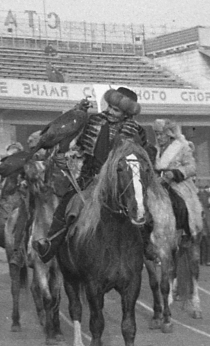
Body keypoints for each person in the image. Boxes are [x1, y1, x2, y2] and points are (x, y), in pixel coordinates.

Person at [33, 87, 147, 262]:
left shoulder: (137, 132)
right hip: (89, 177)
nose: (109, 111)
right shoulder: (94, 121)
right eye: (109, 106)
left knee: (142, 205)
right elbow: (77, 146)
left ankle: (149, 246)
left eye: (115, 110)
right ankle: (50, 243)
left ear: (126, 114)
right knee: (67, 203)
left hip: (120, 183)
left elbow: (138, 161)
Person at [154, 119, 198, 240]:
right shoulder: (155, 150)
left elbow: (192, 167)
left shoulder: (182, 148)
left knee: (182, 205)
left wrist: (175, 173)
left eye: (161, 134)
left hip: (178, 184)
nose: (158, 137)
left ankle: (185, 232)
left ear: (169, 135)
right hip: (159, 183)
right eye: (157, 134)